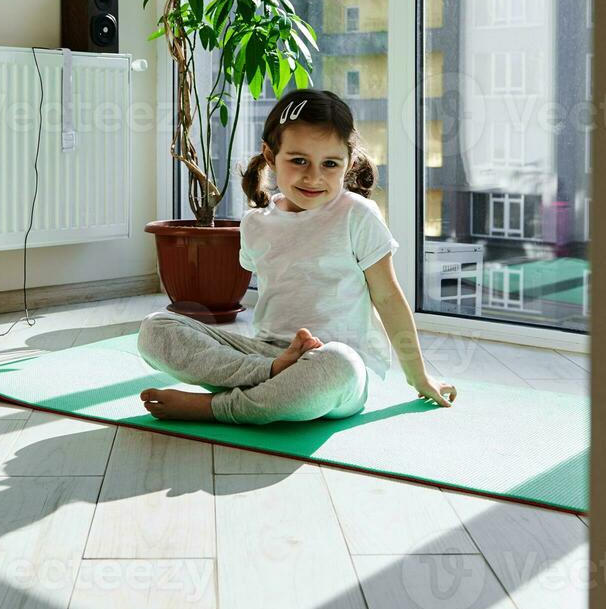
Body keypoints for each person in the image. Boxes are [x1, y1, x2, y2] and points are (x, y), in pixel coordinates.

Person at [137, 88, 458, 424]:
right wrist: (272, 365)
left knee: (337, 368)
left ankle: (214, 407)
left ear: (349, 163)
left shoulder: (358, 215)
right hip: (264, 357)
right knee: (155, 330)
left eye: (330, 164)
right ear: (270, 155)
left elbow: (388, 297)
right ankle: (270, 380)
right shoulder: (255, 224)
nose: (313, 176)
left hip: (337, 360)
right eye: (298, 160)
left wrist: (418, 376)